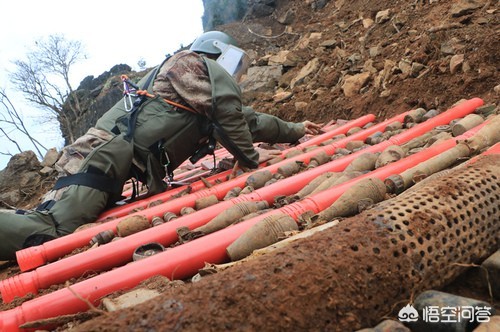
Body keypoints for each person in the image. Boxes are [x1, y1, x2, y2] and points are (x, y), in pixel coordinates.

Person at [0, 31, 322, 261]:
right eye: (233, 64)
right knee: (52, 232)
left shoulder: (197, 93)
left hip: (106, 163)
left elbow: (244, 120)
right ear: (216, 53)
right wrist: (250, 158)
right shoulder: (190, 63)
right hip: (98, 159)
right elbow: (229, 113)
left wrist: (294, 130)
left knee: (49, 224)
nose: (233, 75)